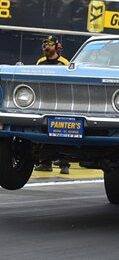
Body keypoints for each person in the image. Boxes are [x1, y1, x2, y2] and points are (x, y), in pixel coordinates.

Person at [34, 35, 70, 174]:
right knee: (44, 131)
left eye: (49, 44)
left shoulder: (64, 62)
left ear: (56, 46)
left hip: (61, 103)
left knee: (63, 132)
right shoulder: (40, 62)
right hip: (44, 102)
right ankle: (45, 162)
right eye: (44, 44)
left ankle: (64, 164)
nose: (46, 47)